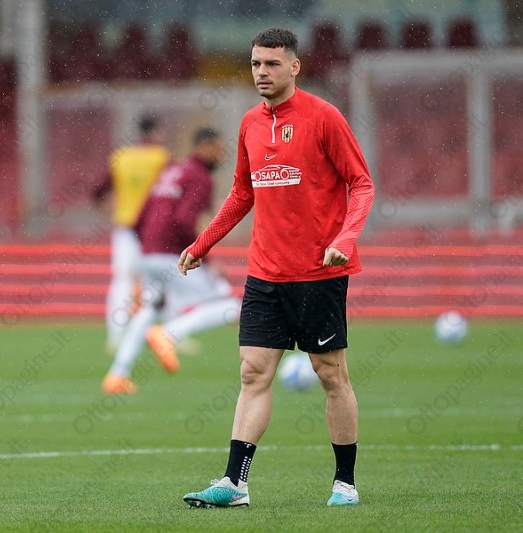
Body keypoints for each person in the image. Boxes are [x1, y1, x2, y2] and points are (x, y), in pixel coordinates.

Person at [178, 28, 375, 508]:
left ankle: (345, 483)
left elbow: (361, 183)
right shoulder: (249, 123)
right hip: (265, 274)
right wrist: (202, 243)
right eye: (255, 64)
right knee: (252, 373)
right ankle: (235, 483)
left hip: (318, 274)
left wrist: (344, 238)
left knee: (330, 375)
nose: (261, 72)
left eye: (271, 63)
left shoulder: (324, 117)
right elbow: (242, 194)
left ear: (294, 66)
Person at [102, 127, 240, 395]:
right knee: (231, 307)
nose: (222, 156)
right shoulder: (199, 177)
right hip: (171, 254)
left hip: (148, 252)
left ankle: (117, 375)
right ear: (205, 146)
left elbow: (140, 217)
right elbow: (184, 220)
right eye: (219, 149)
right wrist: (206, 257)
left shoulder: (171, 169)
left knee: (149, 310)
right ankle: (169, 333)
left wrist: (146, 250)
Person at [93, 115, 171, 352]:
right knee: (160, 280)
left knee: (122, 280)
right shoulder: (161, 157)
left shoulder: (121, 156)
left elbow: (99, 191)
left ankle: (115, 335)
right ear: (155, 132)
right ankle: (167, 334)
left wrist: (113, 207)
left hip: (125, 226)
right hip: (152, 228)